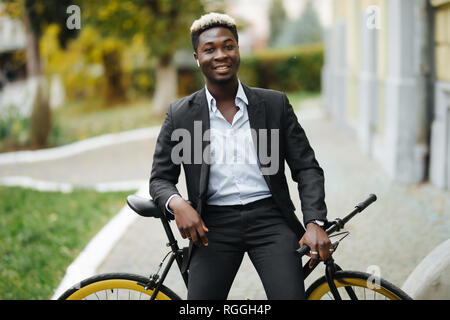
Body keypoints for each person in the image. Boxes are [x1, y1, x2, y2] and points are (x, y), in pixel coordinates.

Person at [149, 12, 333, 300]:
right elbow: (160, 178)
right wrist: (177, 203)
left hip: (271, 220)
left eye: (228, 46)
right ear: (197, 57)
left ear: (238, 50)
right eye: (210, 49)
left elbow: (307, 168)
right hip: (213, 227)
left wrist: (315, 222)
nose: (221, 55)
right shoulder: (181, 114)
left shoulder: (274, 105)